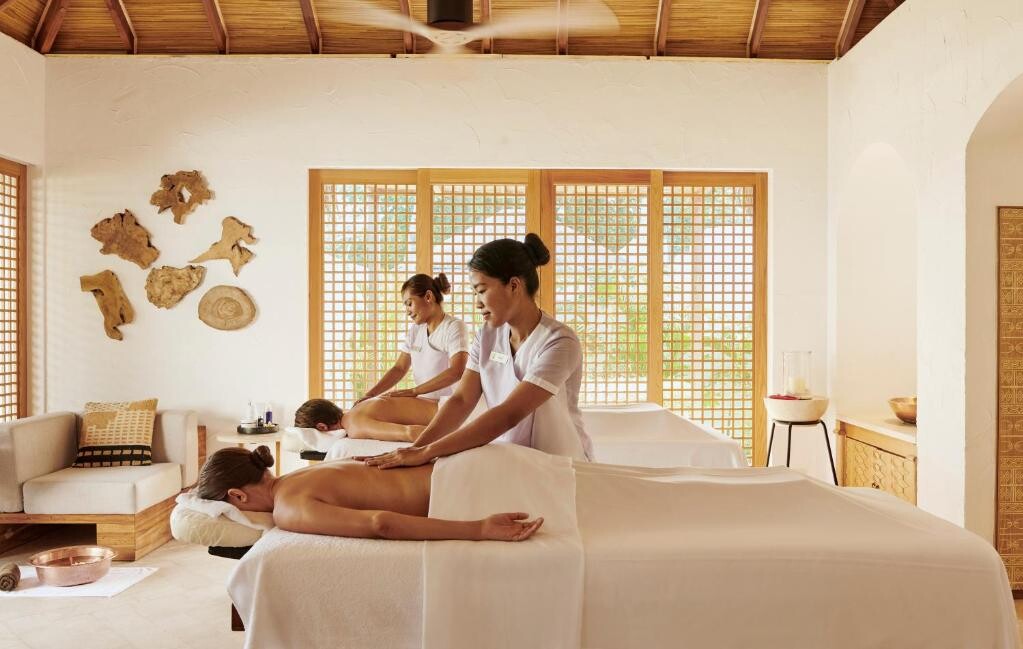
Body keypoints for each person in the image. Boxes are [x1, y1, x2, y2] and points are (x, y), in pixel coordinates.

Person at [361, 233, 593, 470]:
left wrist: (427, 452)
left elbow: (509, 414)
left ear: (514, 285)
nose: (477, 303)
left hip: (562, 466)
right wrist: (415, 450)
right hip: (513, 461)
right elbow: (461, 400)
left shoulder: (560, 341)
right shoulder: (487, 336)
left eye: (481, 290)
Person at [193, 444, 543, 542]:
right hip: (468, 463)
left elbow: (380, 524)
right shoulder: (302, 474)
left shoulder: (288, 508)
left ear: (238, 496)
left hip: (464, 486)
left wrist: (478, 529)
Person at [296, 274, 470, 442]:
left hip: (450, 402)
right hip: (424, 401)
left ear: (428, 297)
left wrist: (413, 391)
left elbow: (457, 371)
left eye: (409, 303)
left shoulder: (453, 327)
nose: (408, 311)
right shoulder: (416, 330)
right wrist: (370, 394)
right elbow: (399, 368)